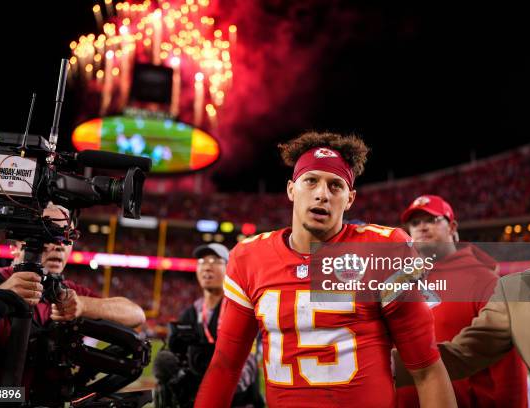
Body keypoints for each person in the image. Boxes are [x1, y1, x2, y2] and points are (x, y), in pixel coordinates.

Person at [194, 132, 457, 408]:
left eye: (335, 186)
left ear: (350, 198)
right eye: (311, 181)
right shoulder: (248, 257)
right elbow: (225, 366)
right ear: (291, 190)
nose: (322, 194)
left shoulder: (384, 250)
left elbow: (426, 370)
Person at [395, 187, 530, 408]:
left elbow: (507, 371)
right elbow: (466, 351)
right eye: (415, 223)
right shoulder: (402, 280)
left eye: (432, 219)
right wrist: (382, 361)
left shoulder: (483, 280)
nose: (422, 227)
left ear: (453, 227)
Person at [0, 202, 146, 389]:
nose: (60, 245)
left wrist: (84, 306)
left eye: (67, 238)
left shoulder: (70, 292)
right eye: (50, 234)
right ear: (15, 245)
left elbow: (136, 314)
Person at [165, 243, 262, 407]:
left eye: (215, 261)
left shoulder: (243, 309)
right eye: (202, 261)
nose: (207, 267)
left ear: (229, 268)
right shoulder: (191, 313)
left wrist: (205, 381)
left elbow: (246, 369)